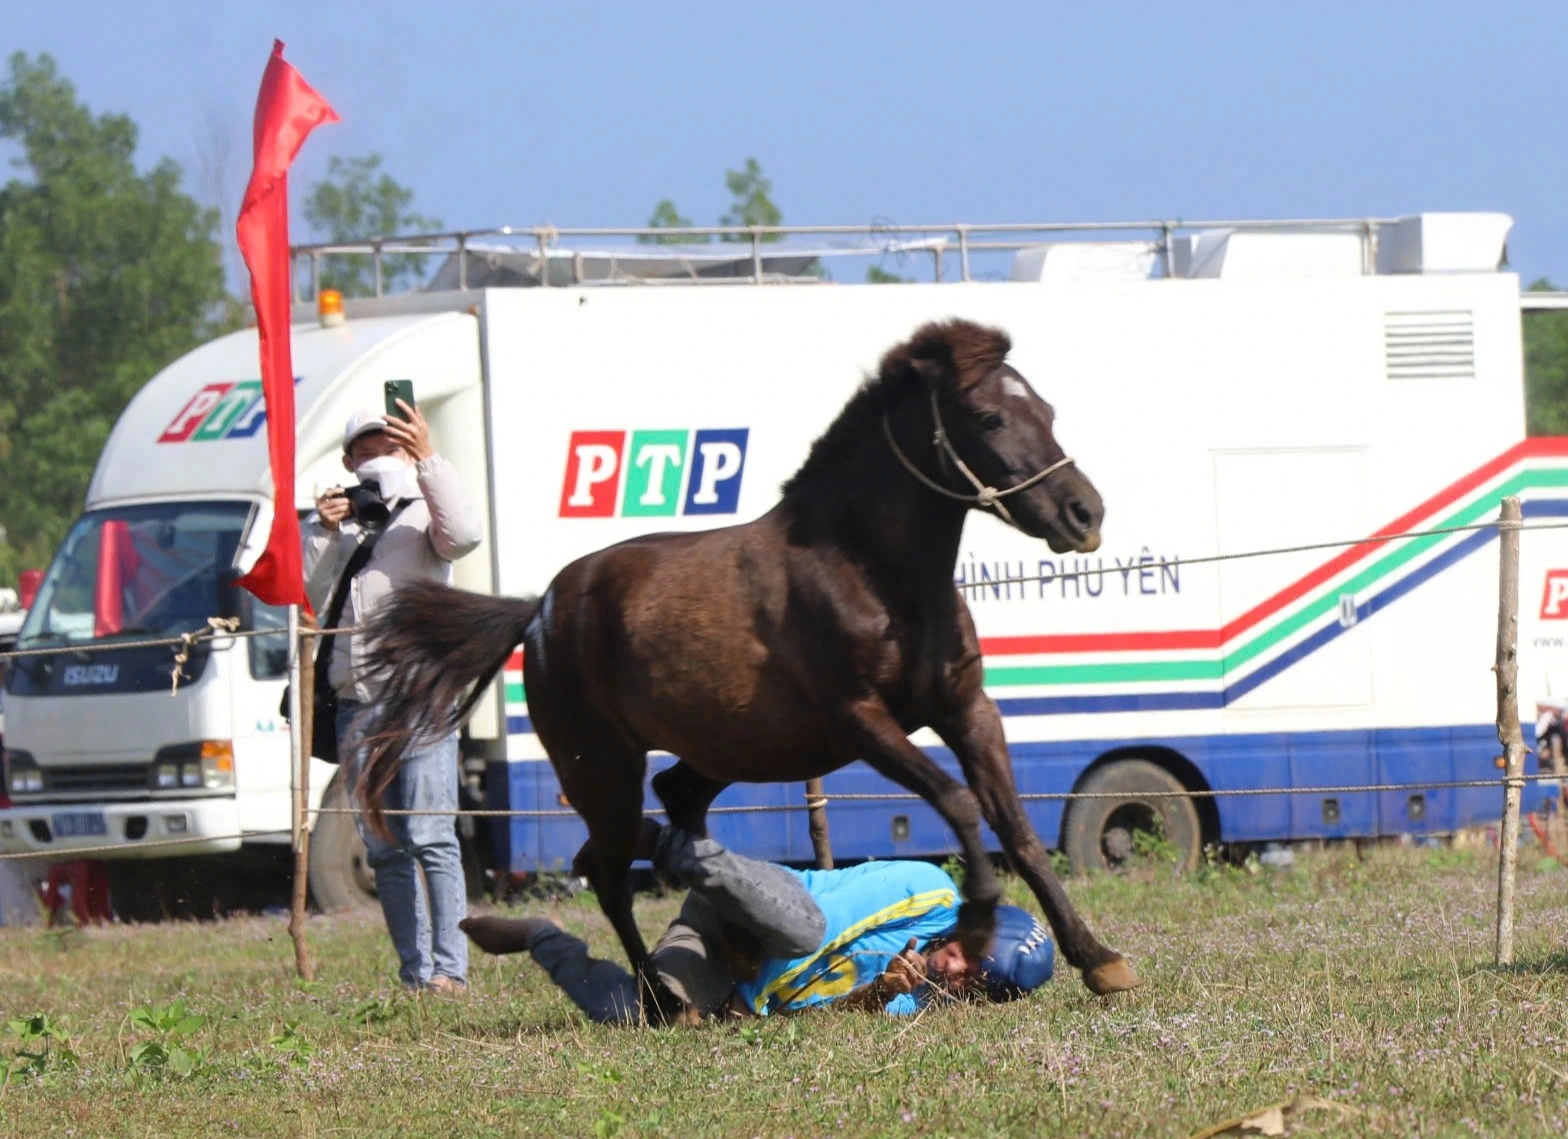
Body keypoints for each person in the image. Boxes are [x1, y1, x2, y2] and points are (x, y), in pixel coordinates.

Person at [459, 820, 1055, 1024]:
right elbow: (836, 926)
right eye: (967, 958)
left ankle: (539, 935)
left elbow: (823, 1014)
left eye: (971, 983)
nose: (953, 972)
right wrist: (750, 1008)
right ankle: (663, 841)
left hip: (719, 950)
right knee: (806, 930)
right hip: (757, 908)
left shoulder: (918, 1000)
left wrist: (875, 996)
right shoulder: (930, 892)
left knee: (637, 1018)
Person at [302, 400, 484, 992]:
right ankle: (416, 972)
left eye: (392, 443)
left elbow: (464, 536)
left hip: (422, 698)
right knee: (382, 848)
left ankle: (450, 972)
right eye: (368, 445)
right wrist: (323, 531)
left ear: (408, 449)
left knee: (430, 834)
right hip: (358, 704)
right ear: (349, 460)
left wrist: (429, 457)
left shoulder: (424, 509)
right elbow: (307, 593)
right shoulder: (337, 522)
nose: (380, 452)